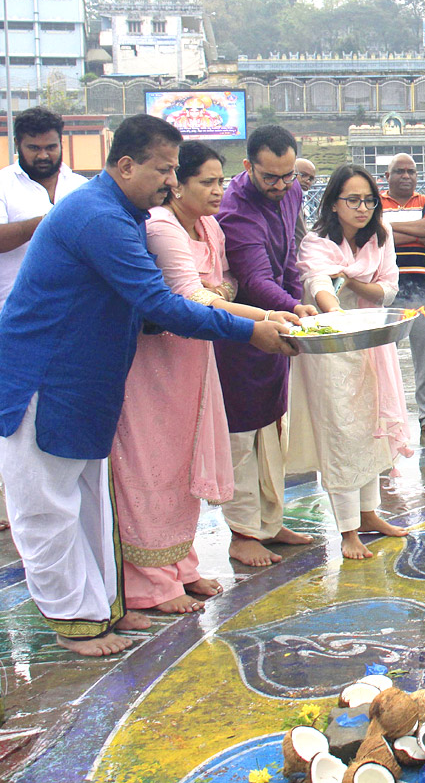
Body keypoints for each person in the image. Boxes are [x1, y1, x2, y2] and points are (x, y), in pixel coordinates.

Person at [0, 115, 296, 656]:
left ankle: (101, 610)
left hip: (86, 379)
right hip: (43, 377)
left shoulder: (121, 212)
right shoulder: (100, 218)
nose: (171, 182)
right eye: (164, 170)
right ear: (126, 164)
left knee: (89, 504)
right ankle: (74, 623)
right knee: (47, 508)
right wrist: (251, 331)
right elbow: (160, 303)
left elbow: (145, 308)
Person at [111, 142, 301, 614]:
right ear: (177, 184)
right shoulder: (162, 226)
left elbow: (222, 286)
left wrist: (229, 301)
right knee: (151, 464)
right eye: (206, 182)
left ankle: (182, 566)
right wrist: (260, 317)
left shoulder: (211, 226)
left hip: (196, 353)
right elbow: (191, 295)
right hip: (157, 363)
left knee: (183, 461)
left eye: (220, 182)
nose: (219, 192)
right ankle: (150, 581)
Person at [290, 164, 412, 559]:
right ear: (333, 203)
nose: (362, 208)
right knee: (341, 433)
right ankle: (347, 531)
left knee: (371, 428)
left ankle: (369, 513)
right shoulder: (316, 241)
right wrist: (340, 315)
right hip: (332, 348)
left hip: (373, 341)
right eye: (353, 200)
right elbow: (319, 285)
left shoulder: (381, 236)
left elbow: (389, 290)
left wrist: (354, 283)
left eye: (369, 200)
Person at [214, 125, 320, 567]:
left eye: (287, 176)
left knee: (274, 429)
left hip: (280, 326)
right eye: (269, 177)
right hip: (242, 332)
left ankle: (270, 523)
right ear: (247, 167)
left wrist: (299, 304)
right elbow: (255, 280)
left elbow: (289, 259)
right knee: (241, 435)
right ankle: (242, 533)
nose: (279, 187)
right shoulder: (233, 208)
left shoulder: (291, 192)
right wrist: (294, 306)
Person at [380, 153, 425, 437]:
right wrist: (416, 234)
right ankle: (385, 418)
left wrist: (388, 228)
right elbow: (374, 236)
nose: (406, 176)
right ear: (387, 177)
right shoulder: (376, 203)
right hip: (387, 292)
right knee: (382, 360)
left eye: (411, 171)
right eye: (399, 171)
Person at [0, 107, 90, 310]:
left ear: (61, 143)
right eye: (34, 148)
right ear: (17, 145)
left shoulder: (82, 187)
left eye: (51, 147)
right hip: (12, 312)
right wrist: (49, 222)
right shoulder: (3, 184)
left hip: (71, 312)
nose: (43, 155)